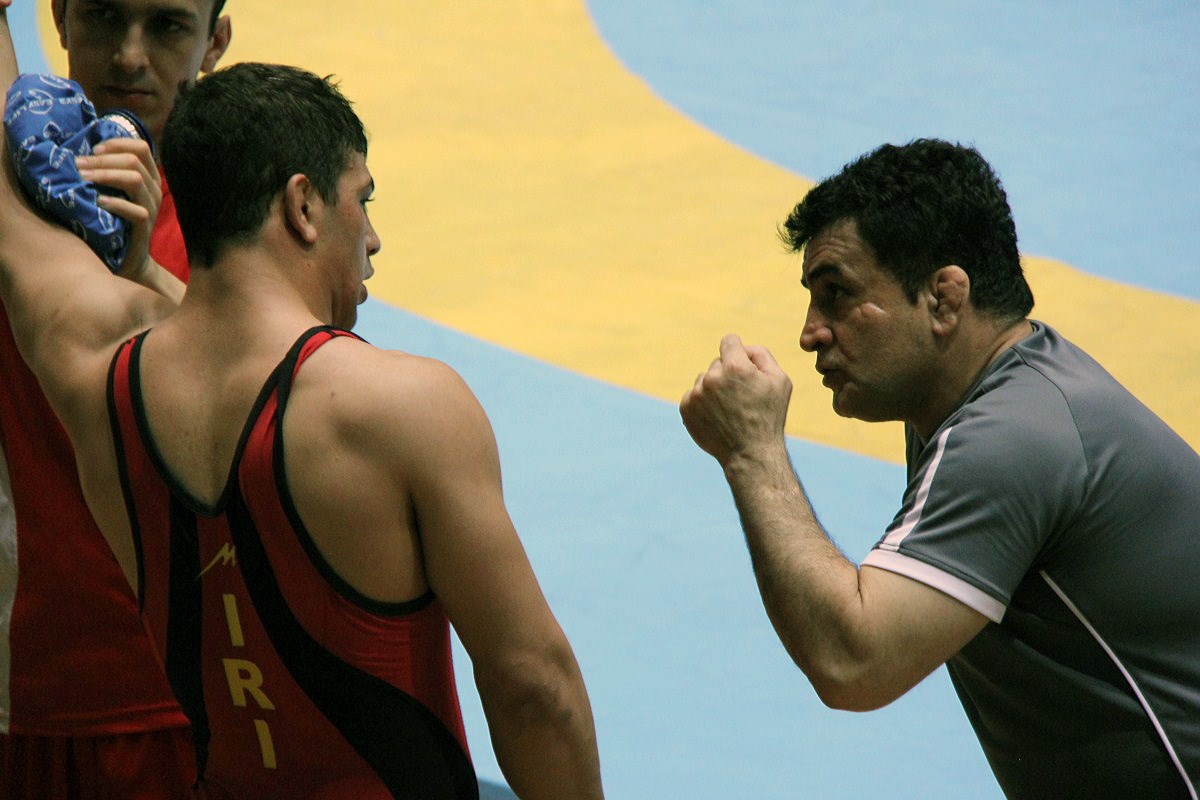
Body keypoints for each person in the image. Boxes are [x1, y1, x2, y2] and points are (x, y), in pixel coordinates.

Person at [0, 41, 604, 800]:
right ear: (303, 205)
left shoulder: (95, 375)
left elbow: (13, 224)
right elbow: (534, 689)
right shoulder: (404, 408)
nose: (372, 238)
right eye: (363, 200)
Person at [679, 138, 1200, 798]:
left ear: (944, 298)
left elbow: (855, 663)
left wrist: (753, 451)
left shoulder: (1014, 437)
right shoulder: (979, 398)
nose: (810, 332)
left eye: (838, 294)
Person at [0, 1, 230, 796]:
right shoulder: (18, 188)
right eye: (104, 17)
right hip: (21, 692)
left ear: (214, 42)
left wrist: (146, 276)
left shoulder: (249, 220)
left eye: (167, 26)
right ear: (60, 17)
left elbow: (282, 395)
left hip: (186, 702)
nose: (130, 57)